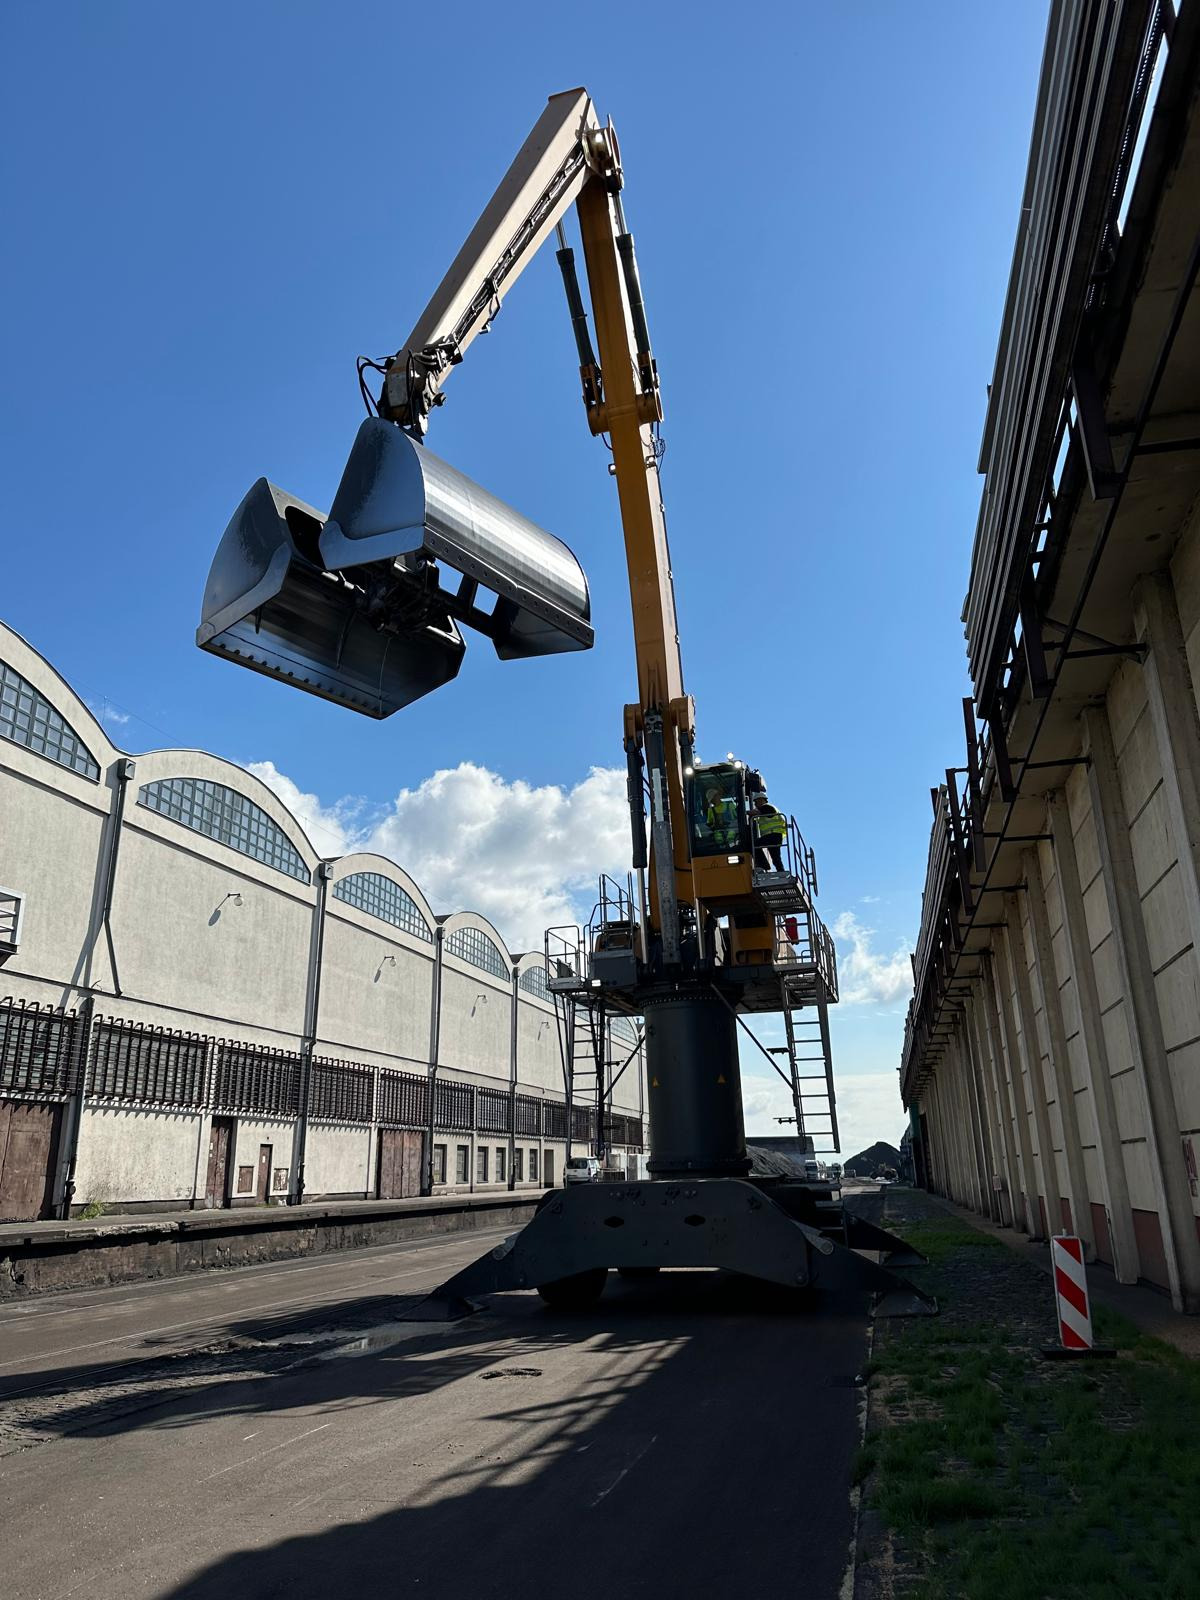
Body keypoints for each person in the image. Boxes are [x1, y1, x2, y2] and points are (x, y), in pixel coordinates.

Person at [753, 794, 787, 870]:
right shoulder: (767, 809)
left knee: (755, 845)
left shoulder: (767, 807)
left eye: (756, 802)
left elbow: (755, 813)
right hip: (775, 836)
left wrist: (745, 812)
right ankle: (780, 870)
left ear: (761, 800)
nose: (755, 804)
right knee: (775, 857)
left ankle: (764, 866)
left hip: (772, 835)